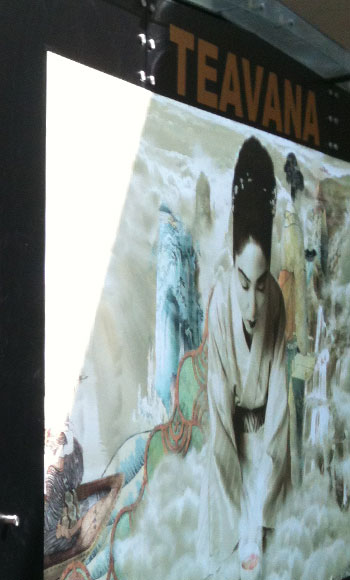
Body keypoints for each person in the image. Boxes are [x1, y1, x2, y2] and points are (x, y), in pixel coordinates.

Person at [199, 137, 290, 578]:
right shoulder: (219, 305)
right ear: (231, 263)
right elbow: (219, 425)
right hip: (228, 458)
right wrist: (240, 522)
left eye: (261, 284)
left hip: (265, 460)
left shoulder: (276, 305)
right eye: (242, 283)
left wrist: (259, 517)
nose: (252, 307)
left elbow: (280, 419)